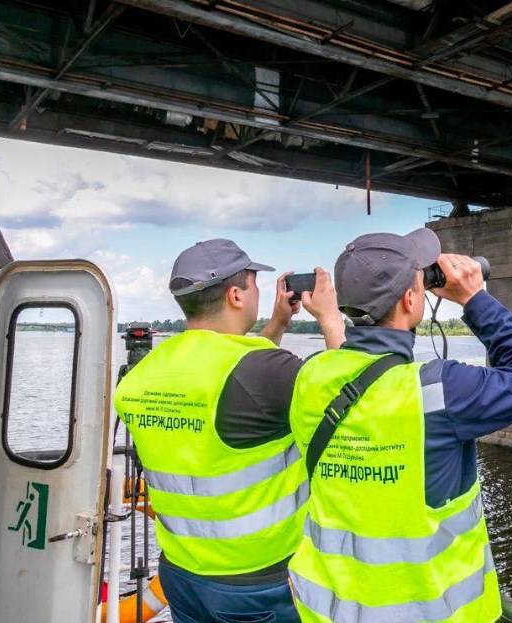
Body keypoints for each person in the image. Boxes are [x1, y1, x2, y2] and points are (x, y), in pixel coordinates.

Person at [286, 228, 512, 622]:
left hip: (329, 610)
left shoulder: (310, 376)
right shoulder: (438, 390)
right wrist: (474, 299)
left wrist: (331, 318)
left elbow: (350, 366)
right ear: (413, 298)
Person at [114, 239, 344, 623]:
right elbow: (354, 398)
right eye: (254, 284)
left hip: (181, 575)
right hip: (258, 582)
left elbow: (237, 380)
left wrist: (277, 325)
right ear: (236, 295)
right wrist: (331, 319)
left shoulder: (139, 379)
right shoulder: (267, 372)